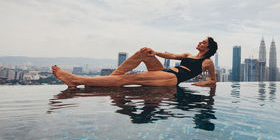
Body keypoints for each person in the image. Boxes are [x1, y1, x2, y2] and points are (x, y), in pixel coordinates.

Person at [52, 37, 218, 88]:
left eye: (203, 42)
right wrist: (155, 53)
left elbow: (213, 81)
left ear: (208, 48)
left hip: (171, 79)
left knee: (128, 78)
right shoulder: (188, 54)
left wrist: (197, 85)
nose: (200, 43)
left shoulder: (208, 62)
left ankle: (75, 80)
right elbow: (172, 56)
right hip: (166, 72)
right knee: (144, 51)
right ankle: (108, 81)